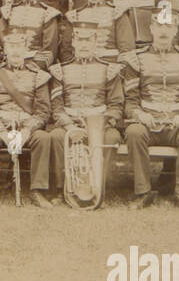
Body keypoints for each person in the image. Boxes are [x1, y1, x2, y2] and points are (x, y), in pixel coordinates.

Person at [120, 17, 179, 210]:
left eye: (168, 26)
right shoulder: (136, 59)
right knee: (134, 132)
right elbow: (130, 101)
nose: (163, 31)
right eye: (159, 25)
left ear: (176, 30)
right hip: (148, 124)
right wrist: (139, 115)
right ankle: (143, 192)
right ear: (151, 28)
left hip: (177, 124)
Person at [0, 28, 54, 209]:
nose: (16, 51)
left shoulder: (38, 76)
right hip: (0, 126)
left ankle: (37, 190)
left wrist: (27, 130)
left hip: (27, 127)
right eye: (11, 46)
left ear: (26, 49)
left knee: (43, 138)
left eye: (20, 46)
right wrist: (1, 131)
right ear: (4, 49)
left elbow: (43, 111)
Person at [49, 24, 124, 209]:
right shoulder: (60, 70)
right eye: (79, 40)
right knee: (57, 137)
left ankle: (99, 187)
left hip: (100, 122)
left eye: (88, 40)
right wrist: (70, 127)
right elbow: (56, 106)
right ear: (73, 42)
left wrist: (103, 123)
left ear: (95, 42)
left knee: (111, 137)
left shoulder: (109, 69)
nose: (83, 44)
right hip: (70, 121)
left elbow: (116, 104)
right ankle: (62, 189)